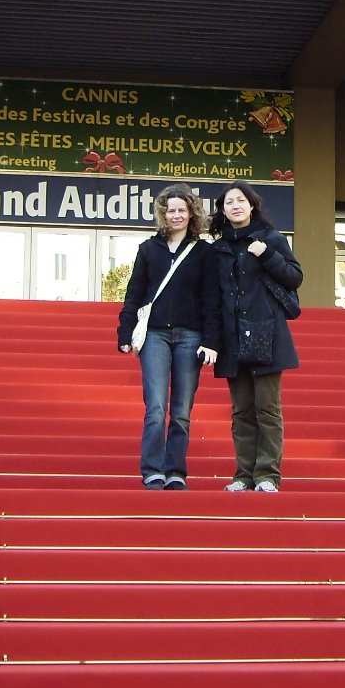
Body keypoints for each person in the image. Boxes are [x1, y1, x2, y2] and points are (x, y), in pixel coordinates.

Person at [118, 183, 221, 491]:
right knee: (156, 407)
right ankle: (152, 470)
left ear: (192, 213)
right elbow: (134, 294)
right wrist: (125, 332)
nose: (176, 215)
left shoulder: (204, 252)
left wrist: (211, 340)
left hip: (191, 336)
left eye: (181, 210)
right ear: (163, 214)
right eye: (170, 210)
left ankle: (175, 471)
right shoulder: (149, 249)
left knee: (181, 411)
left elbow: (211, 300)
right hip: (155, 335)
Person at [209, 182, 302, 493]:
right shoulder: (218, 249)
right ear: (223, 211)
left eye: (241, 200)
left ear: (252, 205)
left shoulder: (270, 239)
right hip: (232, 337)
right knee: (242, 411)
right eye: (229, 202)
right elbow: (213, 298)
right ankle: (243, 475)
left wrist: (267, 255)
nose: (235, 206)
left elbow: (294, 277)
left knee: (268, 408)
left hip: (267, 333)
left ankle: (266, 475)